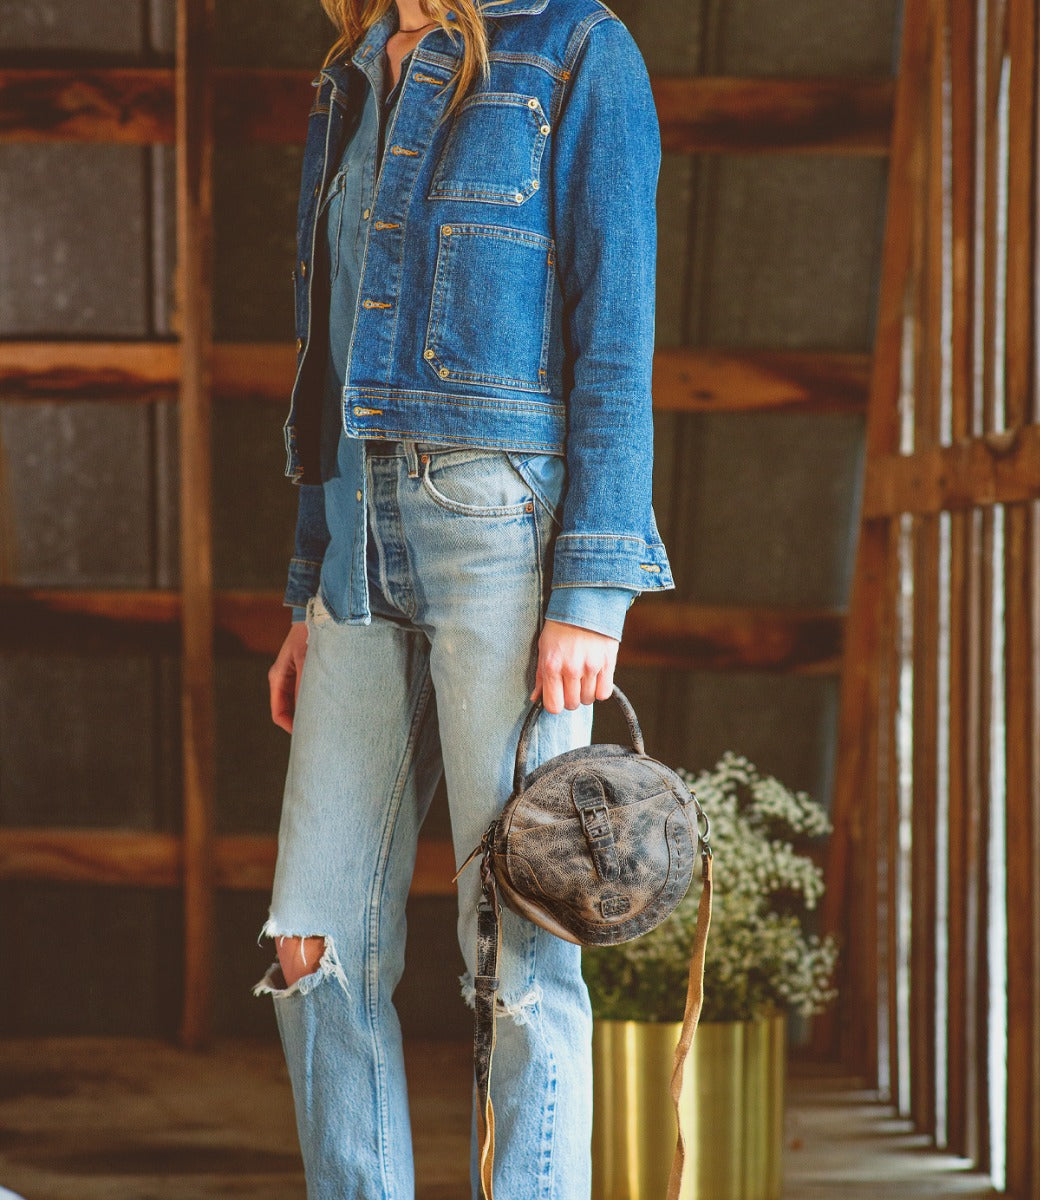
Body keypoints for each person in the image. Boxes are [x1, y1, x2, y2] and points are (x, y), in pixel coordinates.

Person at [254, 0, 674, 1196]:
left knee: (519, 947)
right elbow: (326, 362)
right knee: (313, 943)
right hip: (353, 545)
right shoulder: (351, 71)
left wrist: (593, 588)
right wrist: (305, 588)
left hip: (501, 531)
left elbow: (614, 328)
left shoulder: (577, 50)